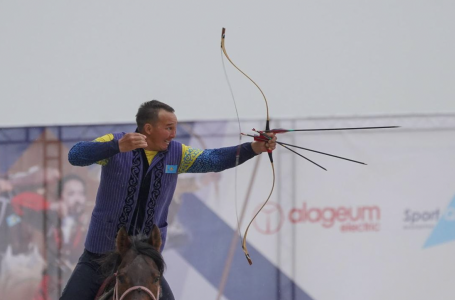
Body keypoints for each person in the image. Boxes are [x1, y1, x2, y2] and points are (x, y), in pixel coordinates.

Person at [61, 100, 276, 300]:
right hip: (100, 256)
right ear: (148, 128)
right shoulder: (116, 142)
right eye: (168, 128)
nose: (174, 134)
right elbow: (75, 155)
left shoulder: (177, 154)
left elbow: (214, 160)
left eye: (174, 128)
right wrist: (115, 146)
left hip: (146, 261)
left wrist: (254, 148)